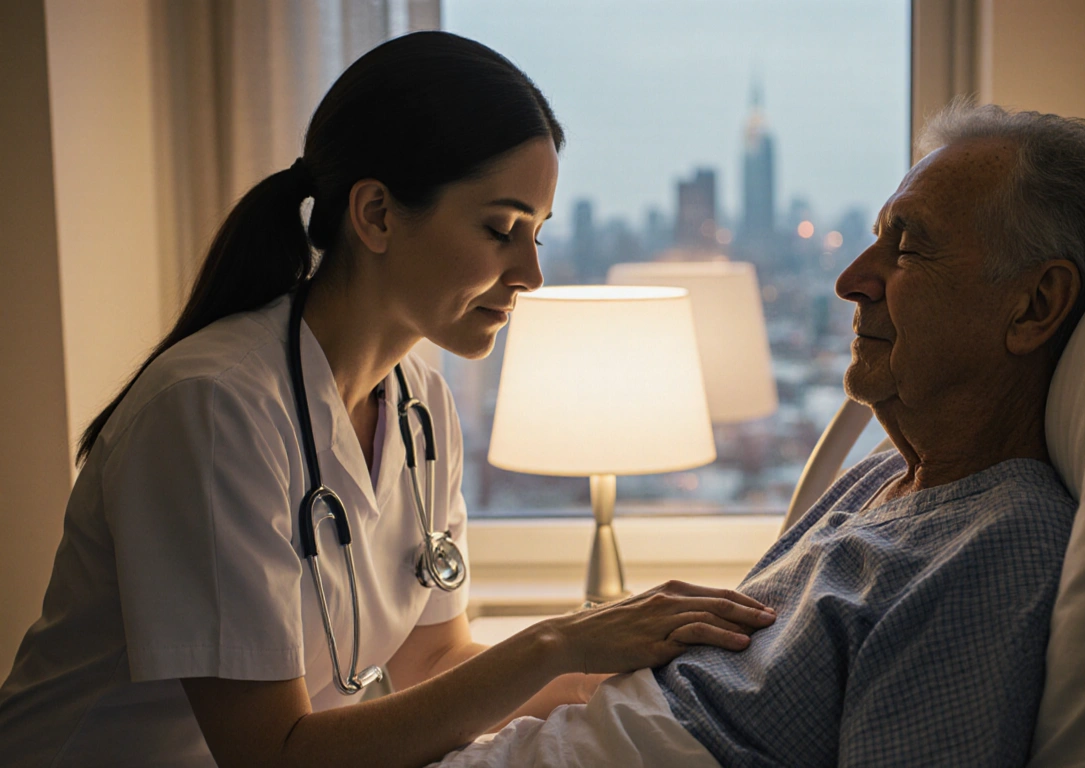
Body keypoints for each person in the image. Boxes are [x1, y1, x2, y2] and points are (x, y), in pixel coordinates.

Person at [0, 31, 777, 768]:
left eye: (537, 232)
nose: (530, 274)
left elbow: (433, 659)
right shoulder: (212, 408)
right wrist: (559, 642)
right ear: (375, 214)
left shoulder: (421, 405)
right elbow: (273, 755)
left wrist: (640, 685)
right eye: (502, 228)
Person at [426, 102, 1085, 767]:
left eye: (907, 250)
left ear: (1035, 304)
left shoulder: (997, 543)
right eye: (875, 240)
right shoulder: (883, 476)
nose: (849, 280)